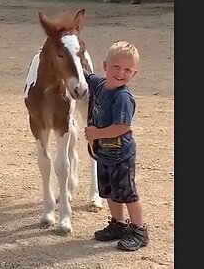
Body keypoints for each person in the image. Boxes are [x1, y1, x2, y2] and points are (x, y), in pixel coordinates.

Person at [84, 40, 149, 251]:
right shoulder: (101, 85)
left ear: (134, 74)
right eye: (116, 67)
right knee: (110, 192)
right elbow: (84, 75)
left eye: (127, 69)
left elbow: (122, 126)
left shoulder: (123, 97)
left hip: (121, 154)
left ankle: (139, 229)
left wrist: (97, 133)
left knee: (127, 193)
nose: (121, 73)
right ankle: (118, 223)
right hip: (104, 154)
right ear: (105, 66)